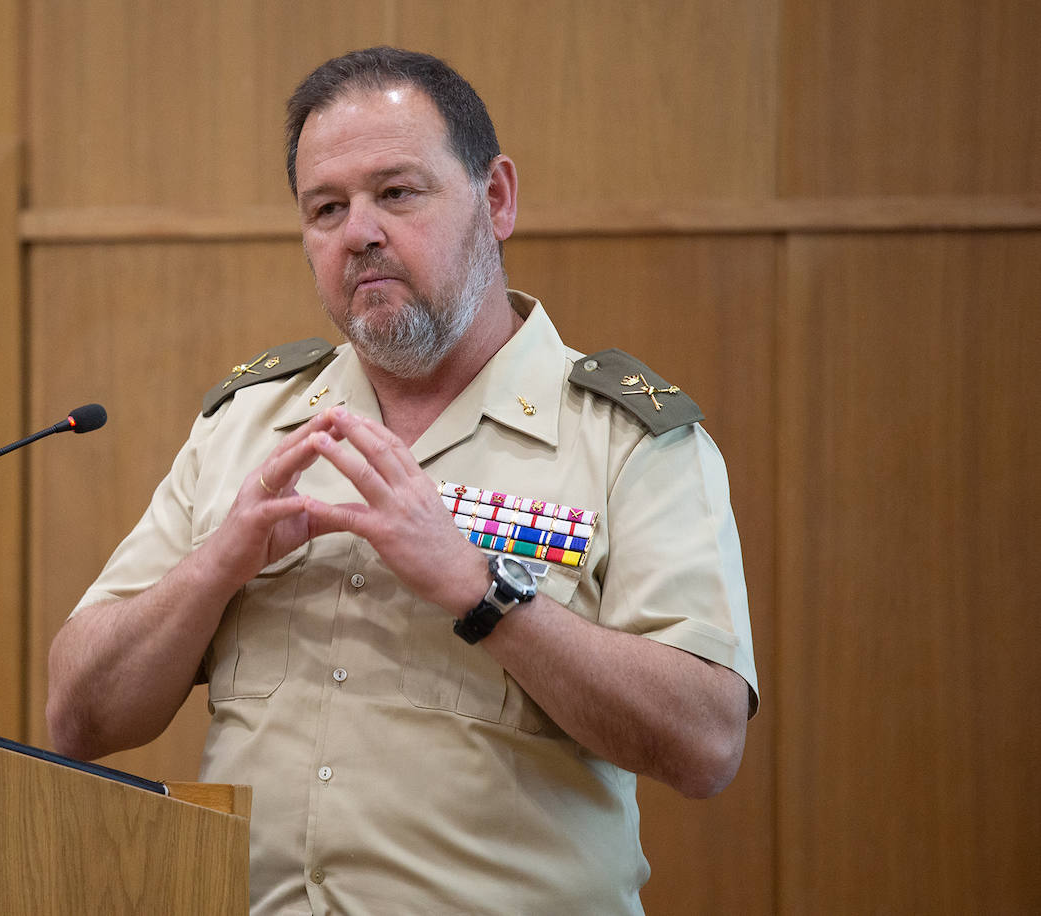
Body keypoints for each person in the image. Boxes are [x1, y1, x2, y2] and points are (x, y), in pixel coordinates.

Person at [47, 46, 758, 915]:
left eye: (397, 193)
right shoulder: (246, 427)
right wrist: (213, 570)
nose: (360, 232)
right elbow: (77, 717)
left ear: (494, 200)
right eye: (326, 208)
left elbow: (707, 741)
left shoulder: (626, 441)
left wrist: (480, 590)